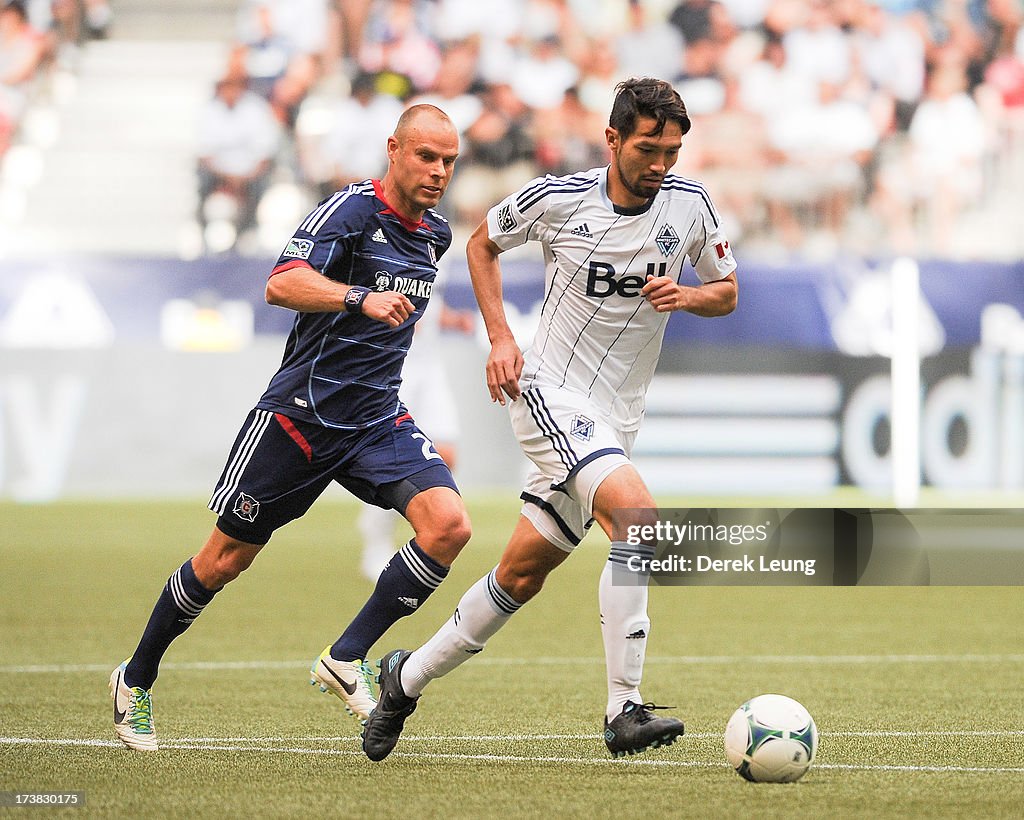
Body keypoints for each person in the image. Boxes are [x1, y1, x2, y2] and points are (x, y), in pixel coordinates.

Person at [360, 77, 738, 762]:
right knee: (641, 523)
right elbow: (481, 245)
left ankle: (403, 680)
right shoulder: (559, 199)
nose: (660, 165)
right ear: (614, 140)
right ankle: (624, 708)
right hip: (550, 393)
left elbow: (727, 292)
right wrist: (502, 338)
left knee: (520, 576)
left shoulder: (690, 206)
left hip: (616, 419)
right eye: (648, 148)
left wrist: (688, 295)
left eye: (673, 152)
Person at [110, 104, 471, 752]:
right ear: (394, 150)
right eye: (426, 156)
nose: (439, 171)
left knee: (449, 525)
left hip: (376, 419)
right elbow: (282, 283)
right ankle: (134, 679)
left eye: (449, 160)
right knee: (221, 562)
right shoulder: (351, 213)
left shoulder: (435, 236)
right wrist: (356, 296)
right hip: (300, 418)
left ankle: (345, 656)